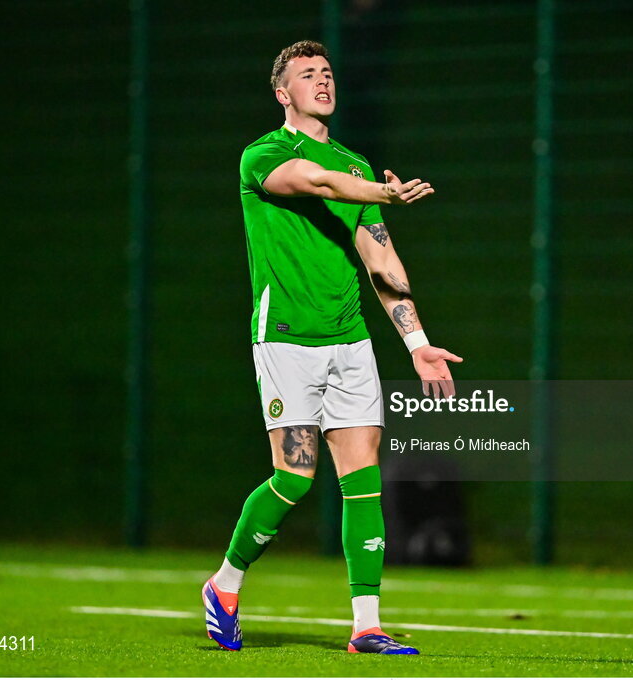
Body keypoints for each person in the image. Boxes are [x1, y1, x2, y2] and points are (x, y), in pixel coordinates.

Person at [202, 40, 463, 655]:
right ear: (282, 93)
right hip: (287, 337)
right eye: (306, 75)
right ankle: (226, 585)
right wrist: (379, 193)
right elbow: (313, 180)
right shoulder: (265, 154)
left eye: (327, 72)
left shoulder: (357, 165)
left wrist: (417, 342)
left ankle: (366, 626)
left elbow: (381, 257)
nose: (322, 81)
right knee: (293, 476)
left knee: (363, 476)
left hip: (350, 340)